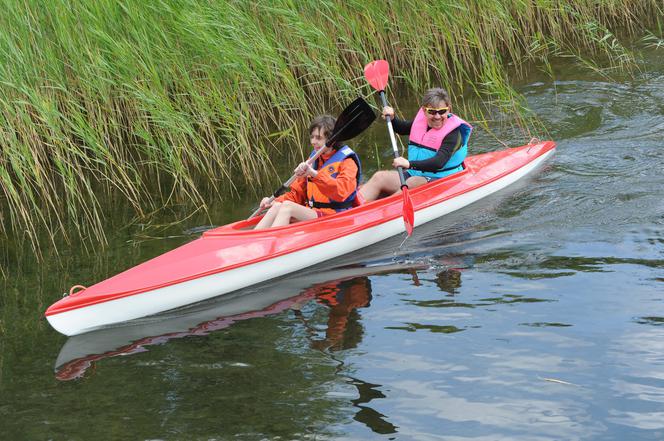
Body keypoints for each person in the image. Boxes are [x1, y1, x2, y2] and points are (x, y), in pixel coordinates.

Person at [359, 88, 472, 202]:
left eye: (442, 111)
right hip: (416, 173)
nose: (437, 116)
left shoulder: (453, 133)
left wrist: (409, 164)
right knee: (380, 177)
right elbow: (402, 128)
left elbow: (439, 162)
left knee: (412, 182)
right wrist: (392, 119)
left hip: (443, 178)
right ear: (424, 110)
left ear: (449, 109)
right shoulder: (421, 123)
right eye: (432, 111)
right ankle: (352, 208)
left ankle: (378, 210)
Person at [255, 115, 361, 229]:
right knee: (277, 206)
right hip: (313, 212)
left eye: (318, 138)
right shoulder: (314, 160)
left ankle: (271, 243)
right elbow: (297, 194)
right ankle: (254, 239)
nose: (313, 142)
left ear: (332, 140)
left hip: (336, 215)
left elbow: (342, 192)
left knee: (287, 207)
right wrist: (274, 201)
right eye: (312, 137)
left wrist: (314, 174)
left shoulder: (348, 162)